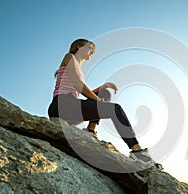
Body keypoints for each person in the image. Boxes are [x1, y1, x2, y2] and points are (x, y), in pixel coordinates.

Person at [48, 38, 162, 168]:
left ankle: (90, 131)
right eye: (90, 48)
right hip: (61, 105)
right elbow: (78, 85)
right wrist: (97, 100)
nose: (92, 52)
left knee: (105, 93)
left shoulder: (79, 69)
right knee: (115, 109)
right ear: (79, 47)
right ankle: (137, 151)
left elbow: (84, 91)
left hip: (72, 108)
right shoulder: (69, 57)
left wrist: (103, 87)